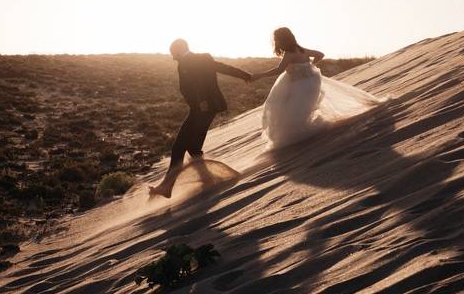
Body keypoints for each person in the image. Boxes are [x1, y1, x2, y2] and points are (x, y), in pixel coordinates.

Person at [150, 39, 252, 197]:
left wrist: (202, 100)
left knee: (179, 146)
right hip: (205, 108)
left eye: (173, 54)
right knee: (193, 147)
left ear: (179, 50)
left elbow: (199, 82)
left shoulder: (188, 62)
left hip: (202, 108)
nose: (172, 57)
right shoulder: (203, 58)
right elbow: (223, 68)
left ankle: (167, 186)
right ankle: (207, 178)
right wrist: (244, 75)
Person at [252, 27, 383, 149]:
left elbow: (279, 69)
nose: (276, 41)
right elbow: (320, 54)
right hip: (312, 82)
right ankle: (302, 129)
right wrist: (310, 66)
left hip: (300, 85)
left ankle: (297, 135)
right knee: (302, 109)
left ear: (282, 40)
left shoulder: (289, 54)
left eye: (277, 39)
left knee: (289, 109)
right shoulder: (301, 50)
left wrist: (258, 76)